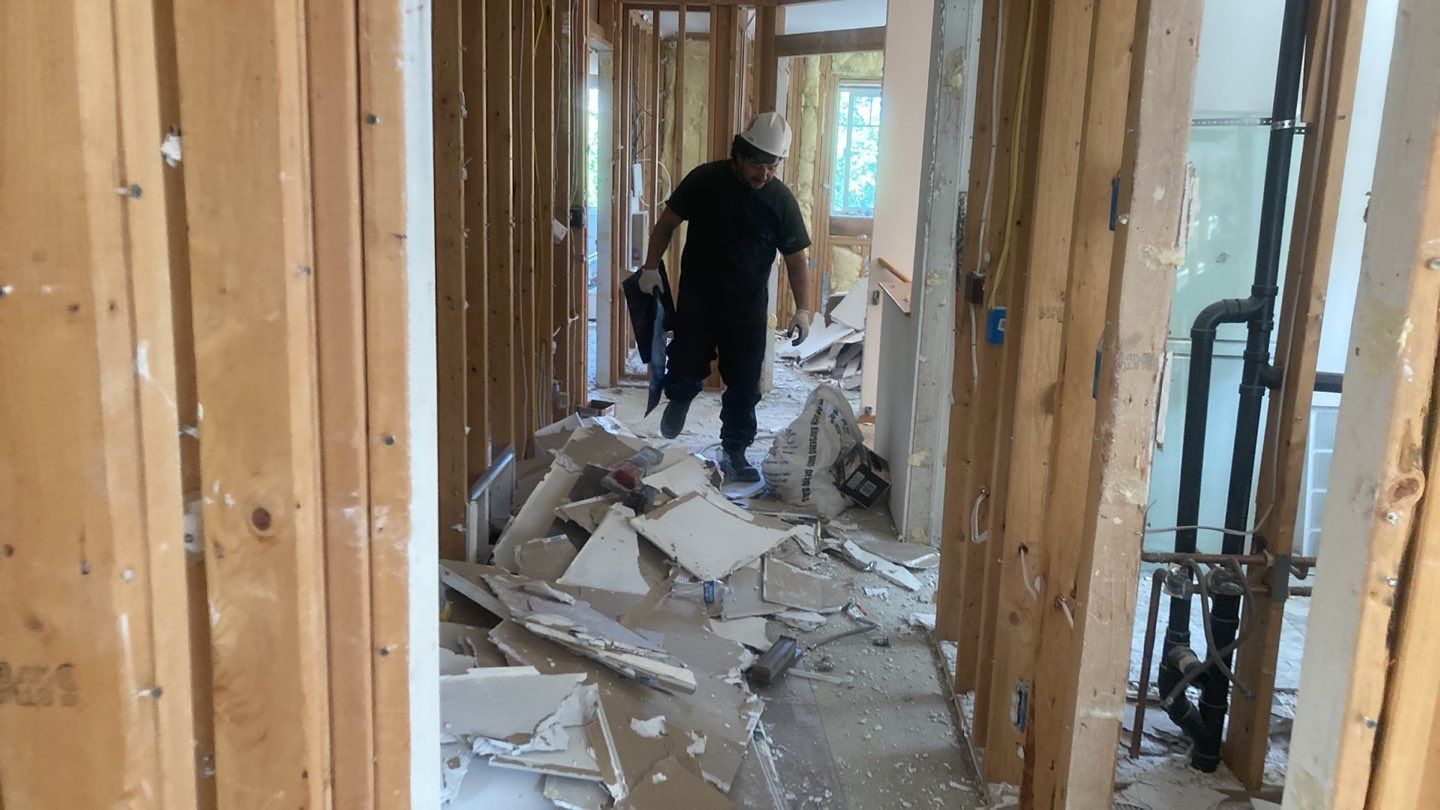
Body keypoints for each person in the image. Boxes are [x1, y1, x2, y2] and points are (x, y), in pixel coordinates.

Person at [632, 112, 813, 483]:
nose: (764, 175)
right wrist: (650, 265)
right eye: (757, 165)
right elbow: (666, 224)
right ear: (740, 155)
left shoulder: (780, 201)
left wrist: (804, 309)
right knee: (684, 361)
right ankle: (680, 398)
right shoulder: (705, 180)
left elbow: (796, 259)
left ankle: (736, 448)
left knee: (745, 384)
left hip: (747, 308)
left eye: (772, 166)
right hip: (699, 297)